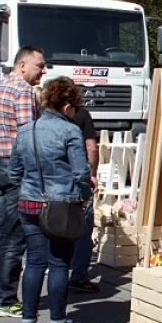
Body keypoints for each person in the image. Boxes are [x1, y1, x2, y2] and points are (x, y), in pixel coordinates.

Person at [10, 76, 92, 323]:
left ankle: (27, 321)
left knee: (34, 262)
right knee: (58, 263)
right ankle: (58, 322)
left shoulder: (25, 130)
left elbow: (14, 171)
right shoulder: (70, 131)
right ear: (67, 106)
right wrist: (84, 196)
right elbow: (81, 172)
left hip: (28, 202)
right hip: (61, 204)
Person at [0, 45, 46, 318]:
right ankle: (5, 299)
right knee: (14, 236)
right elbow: (27, 137)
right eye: (40, 65)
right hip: (16, 168)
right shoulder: (22, 91)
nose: (44, 70)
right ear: (22, 65)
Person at [69, 105, 100, 293]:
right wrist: (92, 173)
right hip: (78, 179)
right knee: (83, 226)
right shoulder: (82, 114)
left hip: (52, 182)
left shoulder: (43, 115)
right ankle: (79, 275)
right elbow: (92, 147)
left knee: (50, 225)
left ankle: (51, 266)